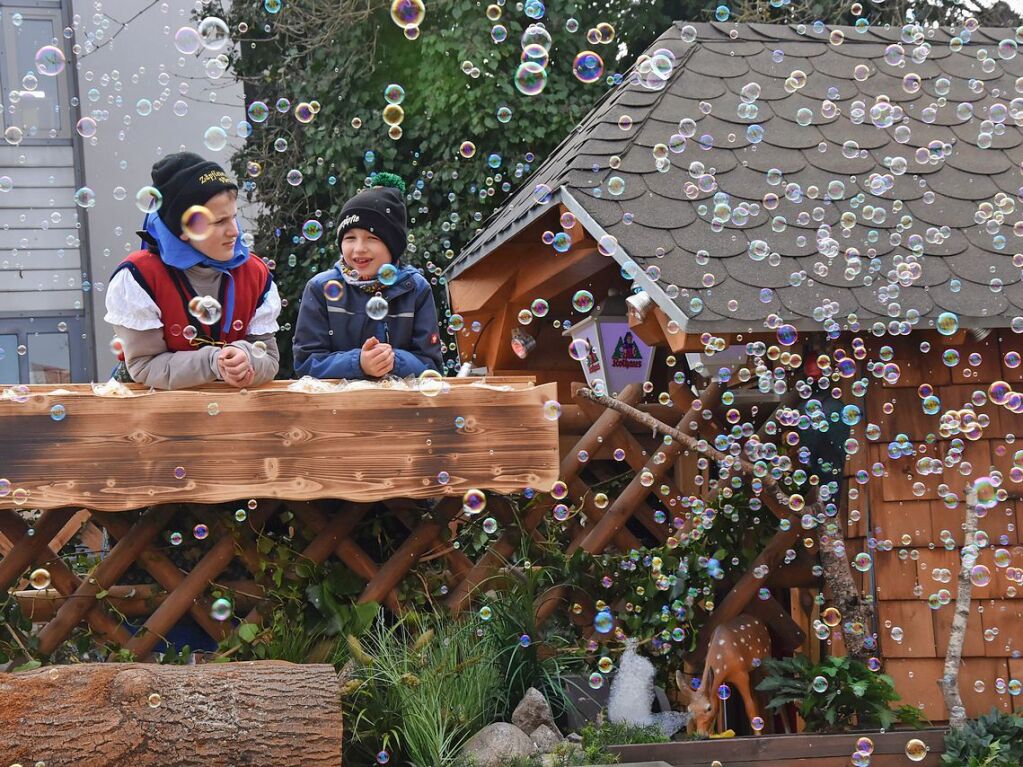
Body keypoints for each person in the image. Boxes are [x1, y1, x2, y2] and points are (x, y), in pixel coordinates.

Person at [104, 152, 281, 390]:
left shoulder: (255, 274)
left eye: (233, 218)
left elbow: (268, 358)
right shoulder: (139, 277)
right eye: (219, 222)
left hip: (230, 418)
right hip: (150, 417)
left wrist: (246, 357)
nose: (234, 232)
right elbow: (144, 365)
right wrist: (212, 362)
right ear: (184, 228)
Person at [293, 173, 443, 380]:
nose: (359, 248)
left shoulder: (415, 288)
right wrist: (358, 363)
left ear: (393, 246)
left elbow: (432, 366)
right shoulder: (320, 288)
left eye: (372, 238)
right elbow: (306, 363)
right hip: (339, 408)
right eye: (350, 238)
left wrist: (392, 360)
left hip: (402, 407)